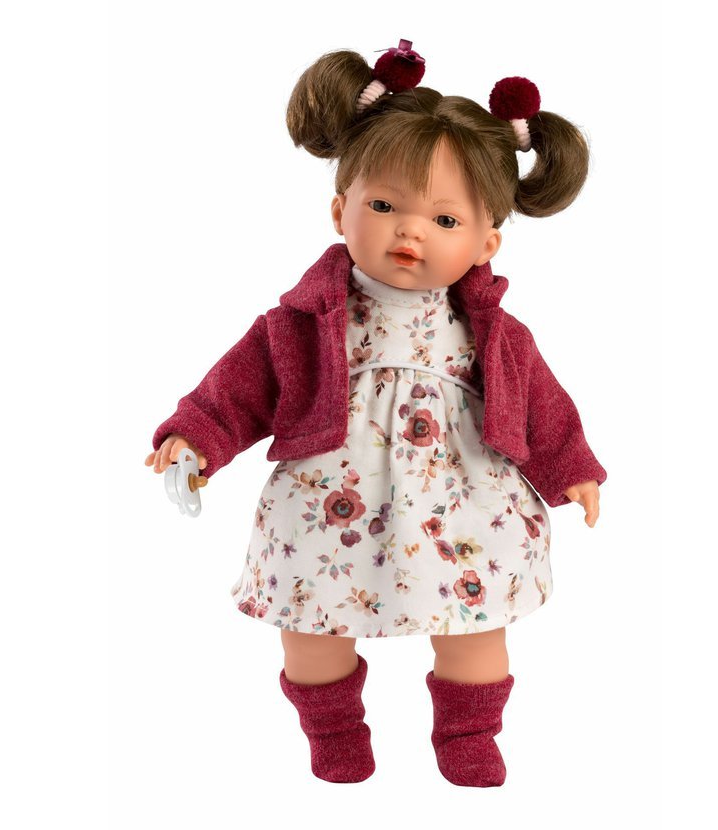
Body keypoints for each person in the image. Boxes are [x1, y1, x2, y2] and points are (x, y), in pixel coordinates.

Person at [144, 39, 607, 788]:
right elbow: (239, 389)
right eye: (384, 206)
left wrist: (571, 467)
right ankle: (332, 728)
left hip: (461, 499)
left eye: (445, 220)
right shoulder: (302, 322)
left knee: (475, 628)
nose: (409, 231)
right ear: (341, 210)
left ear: (486, 240)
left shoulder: (494, 332)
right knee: (311, 628)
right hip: (330, 503)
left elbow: (543, 406)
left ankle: (468, 732)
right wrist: (195, 435)